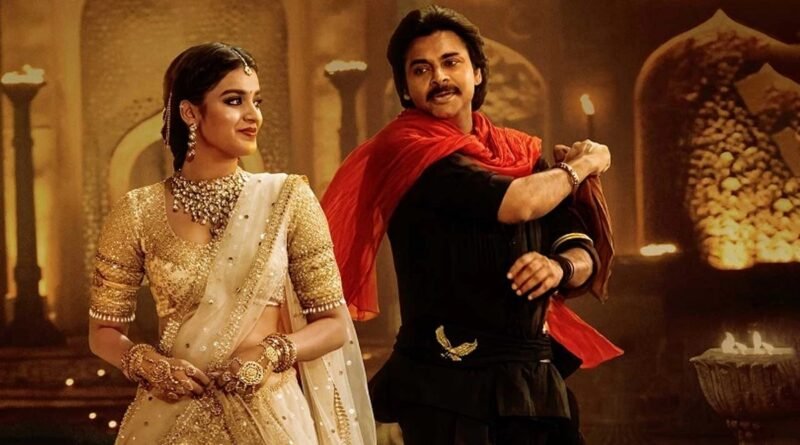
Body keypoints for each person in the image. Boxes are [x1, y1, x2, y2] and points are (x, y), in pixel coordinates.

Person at [321, 6, 622, 445]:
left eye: (451, 62)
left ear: (477, 73)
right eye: (421, 69)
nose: (439, 77)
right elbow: (517, 203)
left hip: (532, 382)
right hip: (448, 386)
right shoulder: (406, 151)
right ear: (405, 87)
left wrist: (560, 267)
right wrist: (585, 164)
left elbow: (579, 244)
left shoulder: (518, 154)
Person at [87, 42, 375, 444]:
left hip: (271, 417)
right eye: (234, 100)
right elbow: (102, 331)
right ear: (190, 112)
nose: (253, 115)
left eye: (257, 101)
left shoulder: (286, 199)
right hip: (170, 416)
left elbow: (335, 325)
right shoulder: (138, 211)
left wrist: (271, 353)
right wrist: (150, 365)